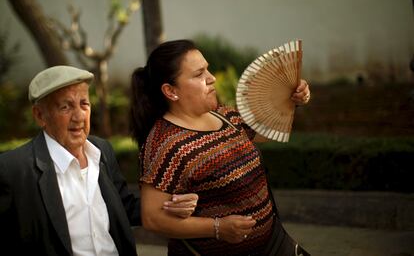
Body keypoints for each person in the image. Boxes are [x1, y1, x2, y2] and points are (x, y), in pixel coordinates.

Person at [129, 39, 311, 255]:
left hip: (274, 245)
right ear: (170, 91)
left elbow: (263, 132)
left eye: (207, 69)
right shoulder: (164, 144)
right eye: (199, 74)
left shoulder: (223, 115)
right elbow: (152, 218)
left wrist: (291, 101)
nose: (211, 78)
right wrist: (217, 228)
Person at [0, 65, 198, 256]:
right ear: (40, 115)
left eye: (84, 104)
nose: (79, 116)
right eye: (65, 107)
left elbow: (125, 207)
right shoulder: (13, 169)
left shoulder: (102, 150)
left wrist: (171, 203)